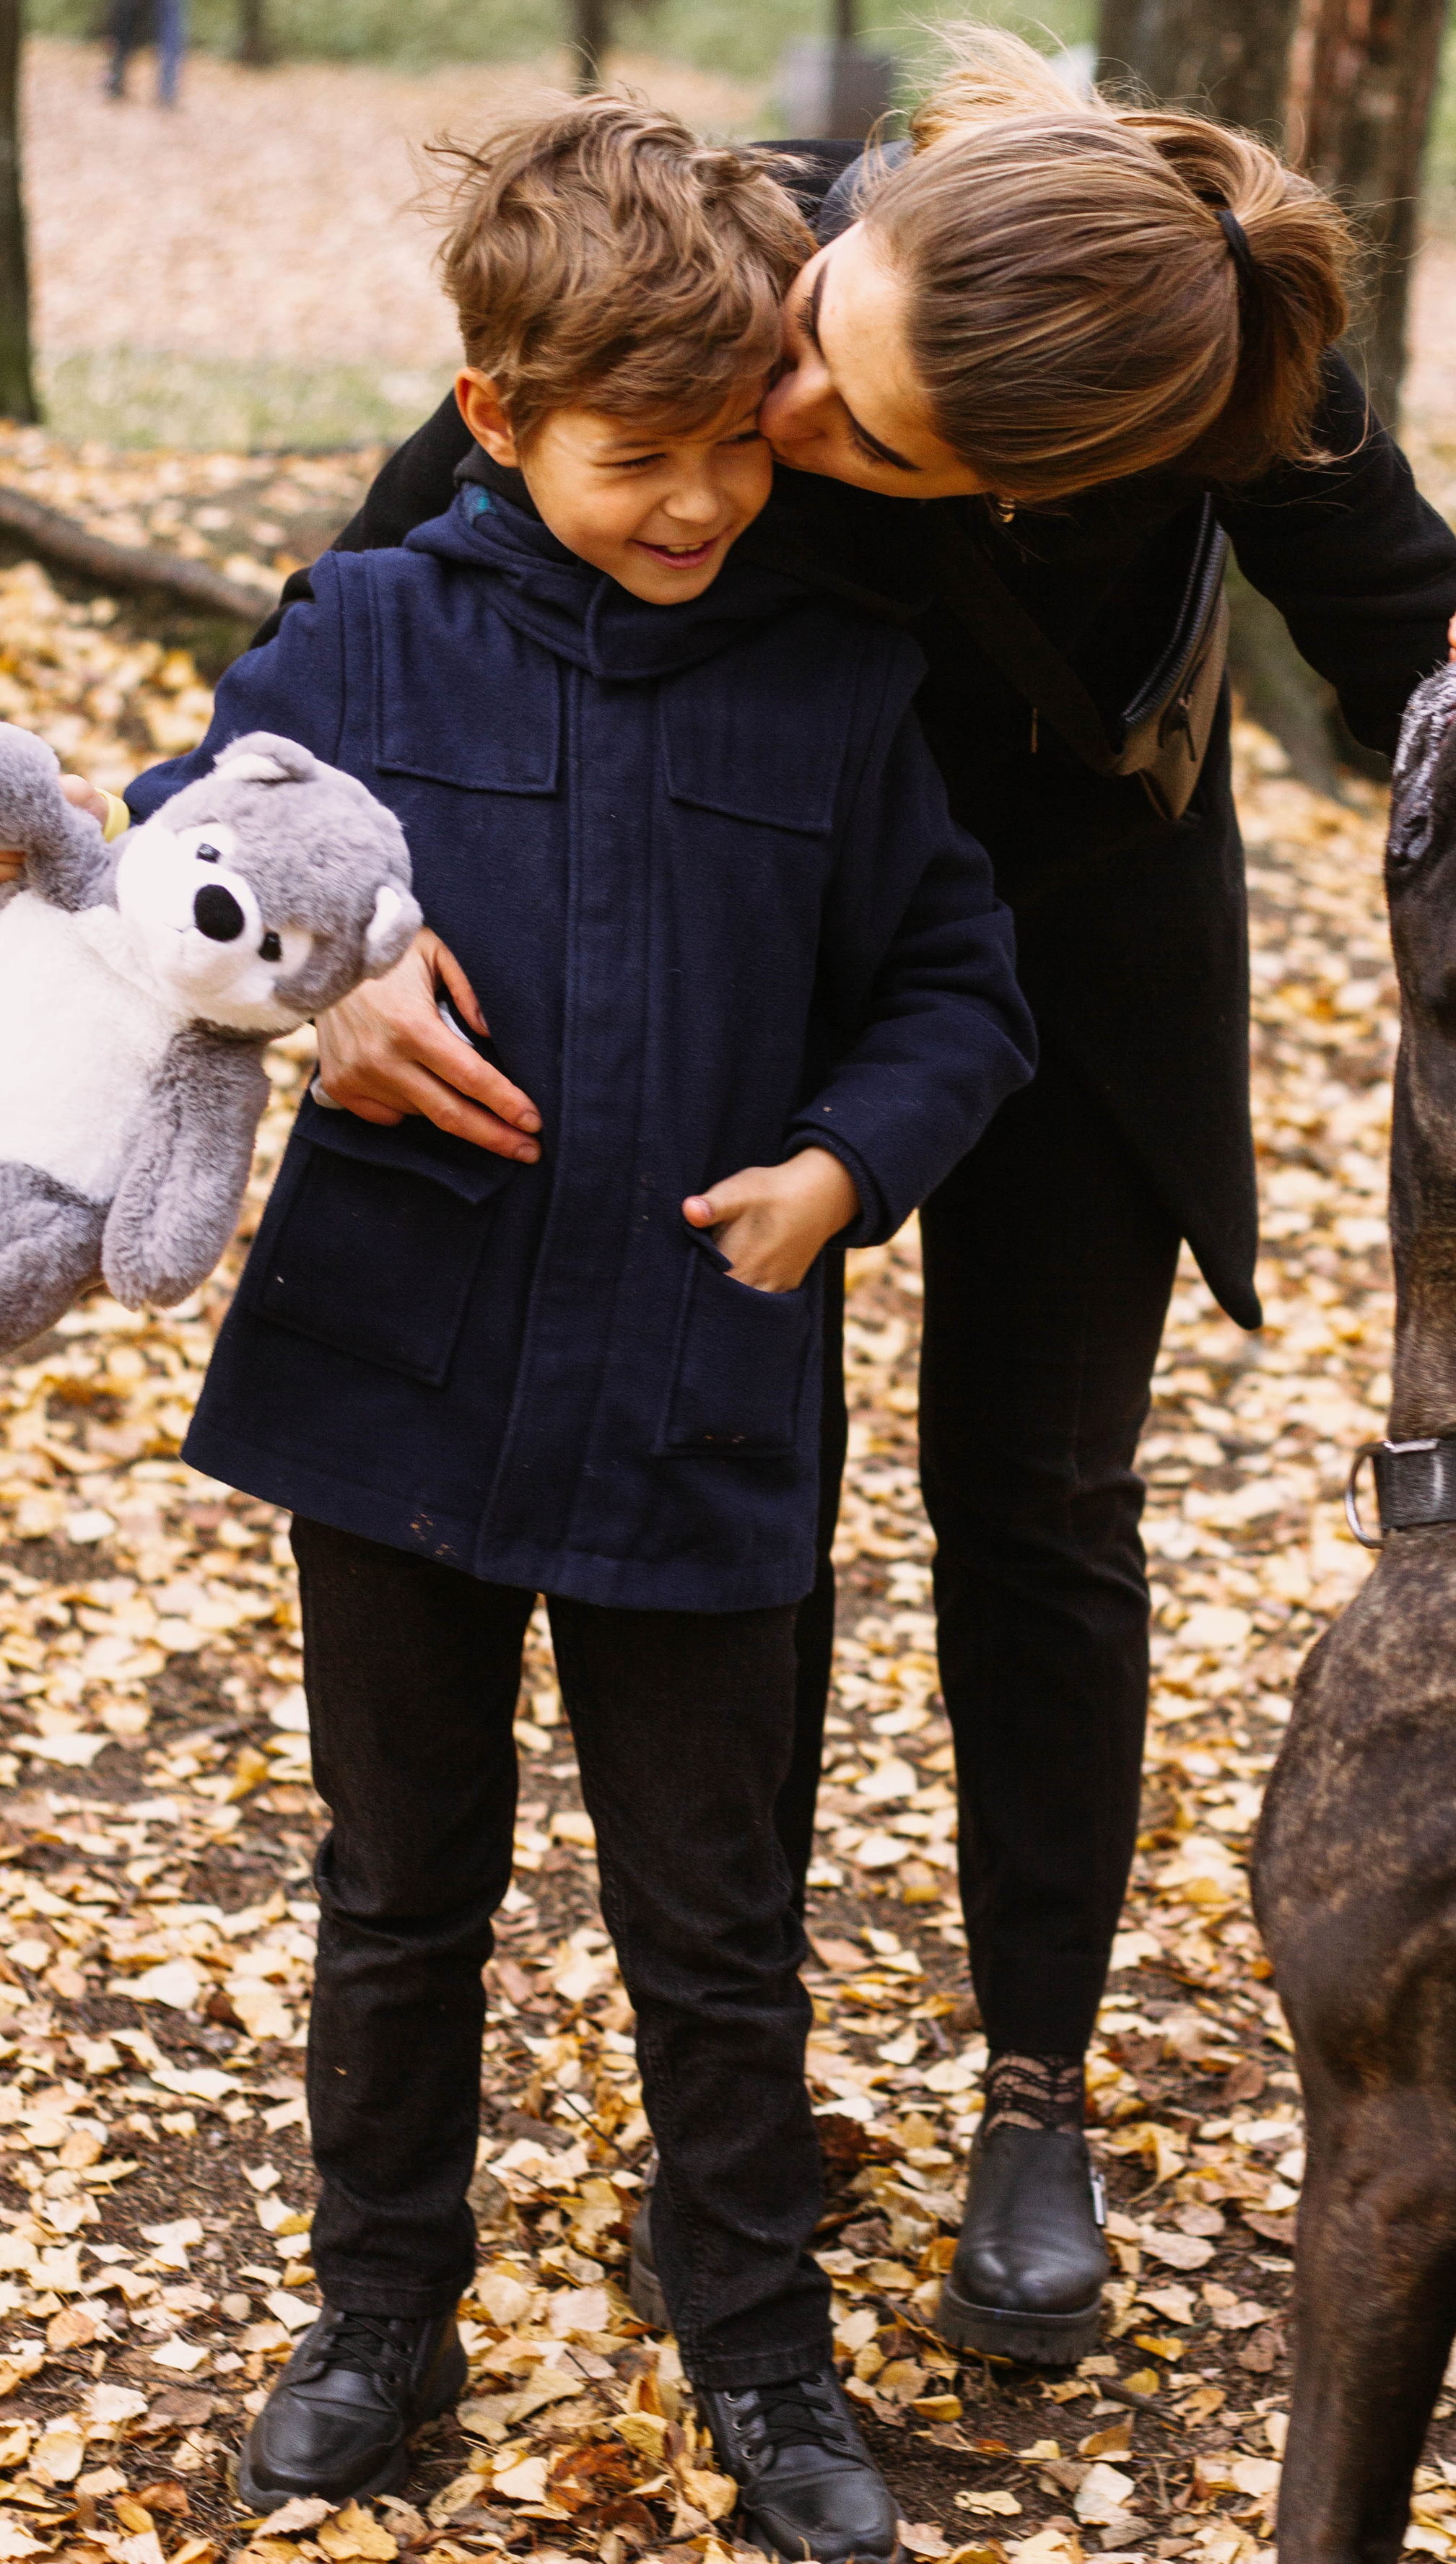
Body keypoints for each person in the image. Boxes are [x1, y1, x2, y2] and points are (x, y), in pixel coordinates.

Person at [30, 30, 1456, 2373]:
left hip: (1052, 936)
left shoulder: (1212, 368)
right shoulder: (750, 259)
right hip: (716, 923)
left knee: (1039, 1505)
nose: (790, 419)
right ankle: (729, 2069)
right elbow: (325, 662)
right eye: (817, 349)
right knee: (762, 1488)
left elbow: (1411, 655)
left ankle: (1034, 2086)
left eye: (867, 444)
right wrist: (322, 980)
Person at [112, 97, 1035, 2551]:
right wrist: (334, 994)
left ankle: (760, 2341)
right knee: (398, 1886)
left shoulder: (841, 684)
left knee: (717, 1917)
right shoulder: (365, 639)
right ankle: (376, 2305)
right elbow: (186, 848)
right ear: (501, 422)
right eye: (642, 459)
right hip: (393, 1379)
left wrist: (850, 1165)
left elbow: (961, 985)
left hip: (700, 1404)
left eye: (738, 450)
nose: (706, 503)